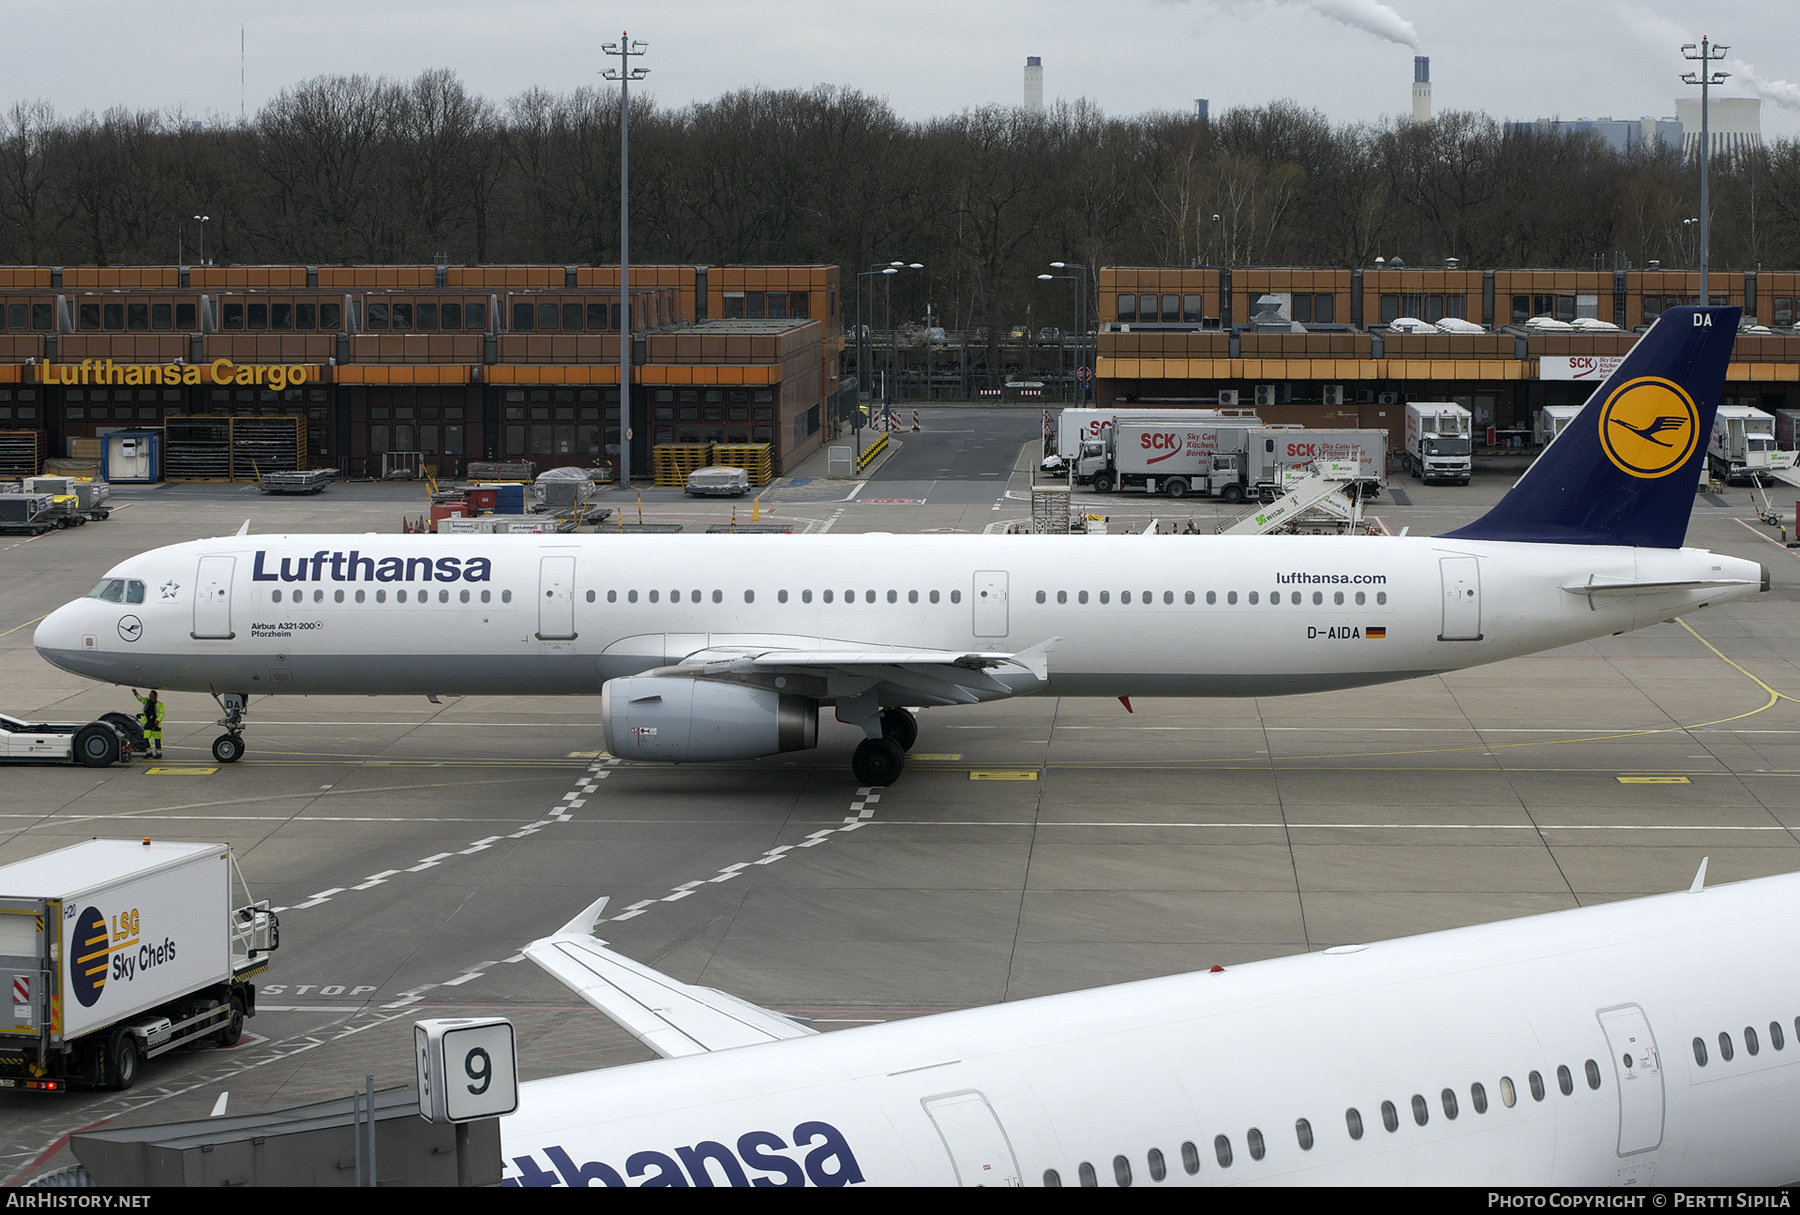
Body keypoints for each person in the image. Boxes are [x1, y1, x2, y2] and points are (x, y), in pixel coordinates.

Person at [132, 689, 163, 759]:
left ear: (156, 696)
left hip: (156, 725)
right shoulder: (146, 702)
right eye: (150, 695)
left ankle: (159, 753)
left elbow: (162, 713)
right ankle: (149, 752)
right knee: (146, 739)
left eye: (152, 696)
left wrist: (158, 720)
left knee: (157, 740)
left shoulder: (159, 704)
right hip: (148, 724)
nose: (151, 697)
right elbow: (140, 699)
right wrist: (136, 693)